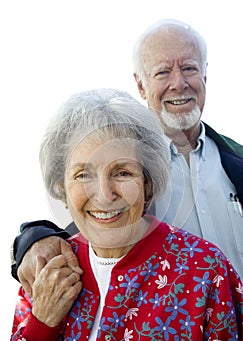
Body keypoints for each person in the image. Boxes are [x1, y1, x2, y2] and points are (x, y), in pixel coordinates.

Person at [11, 18, 243, 294]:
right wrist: (33, 239)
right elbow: (86, 219)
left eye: (189, 69)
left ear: (204, 76)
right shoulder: (129, 167)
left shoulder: (235, 160)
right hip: (173, 330)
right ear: (141, 86)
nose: (178, 83)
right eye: (162, 73)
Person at [10, 88, 243, 341]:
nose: (104, 195)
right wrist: (41, 325)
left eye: (122, 172)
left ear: (147, 180)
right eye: (82, 175)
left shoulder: (206, 270)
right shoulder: (44, 271)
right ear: (60, 185)